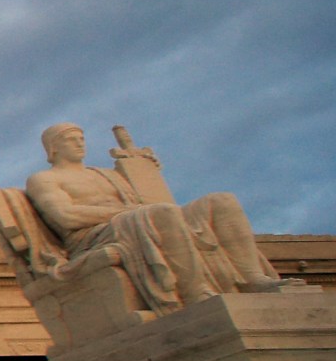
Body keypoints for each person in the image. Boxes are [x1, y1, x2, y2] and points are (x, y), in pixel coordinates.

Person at [25, 122, 284, 312]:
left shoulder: (105, 174)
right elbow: (66, 217)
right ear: (53, 148)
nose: (81, 143)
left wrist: (140, 169)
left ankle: (252, 278)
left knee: (221, 201)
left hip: (139, 219)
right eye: (71, 139)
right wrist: (129, 212)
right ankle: (194, 292)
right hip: (95, 235)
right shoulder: (45, 179)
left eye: (82, 138)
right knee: (161, 214)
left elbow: (144, 204)